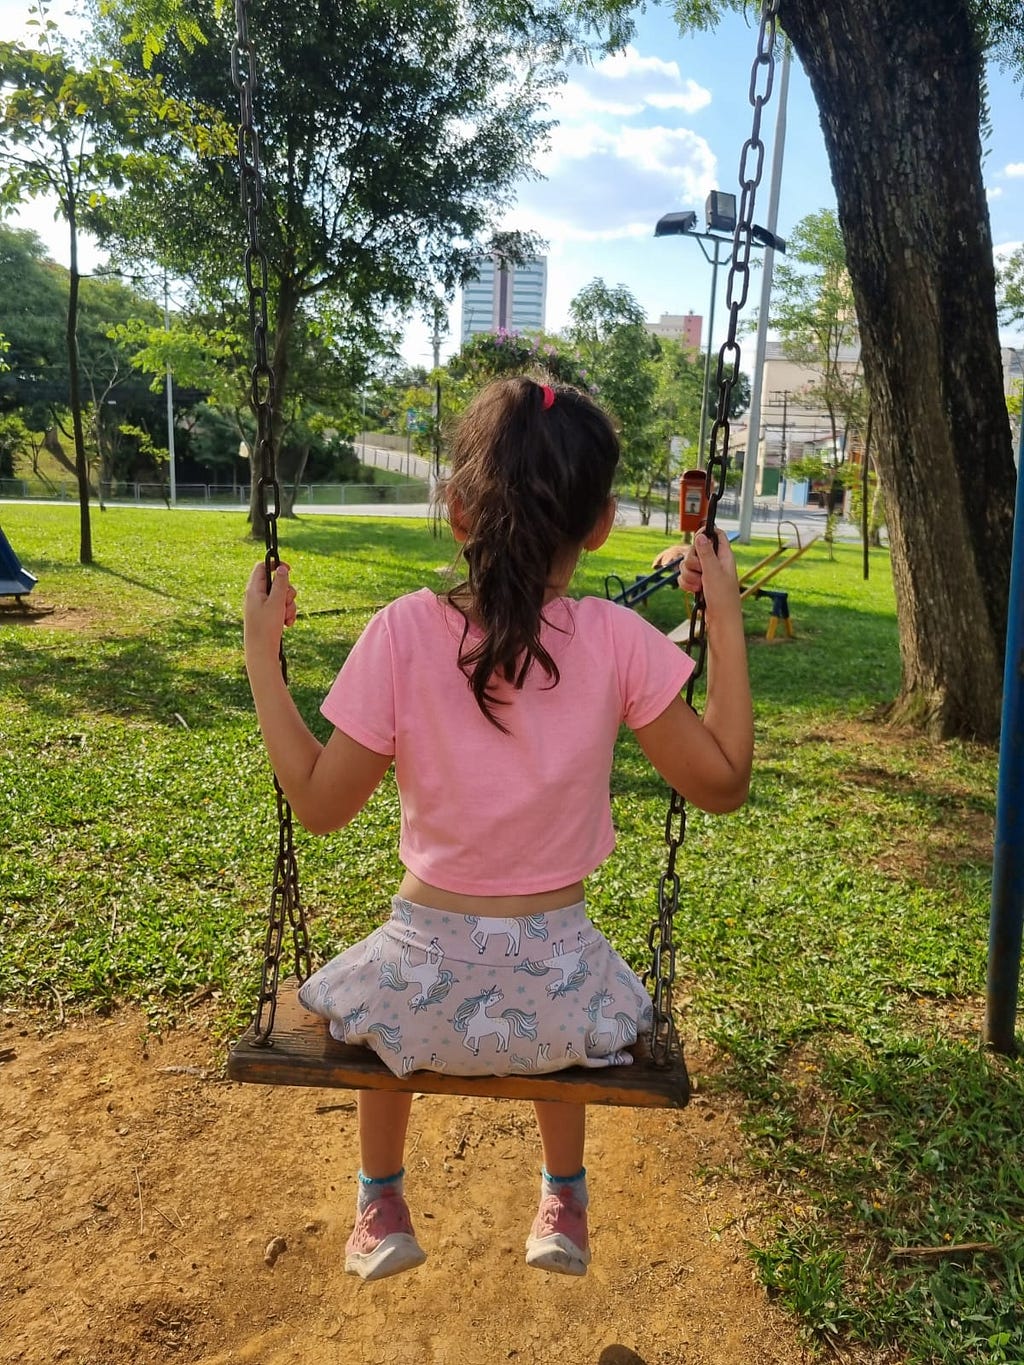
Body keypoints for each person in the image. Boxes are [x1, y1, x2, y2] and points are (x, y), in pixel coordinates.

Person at [243, 375, 753, 1284]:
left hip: (419, 989)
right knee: (564, 999)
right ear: (599, 524)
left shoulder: (403, 630)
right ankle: (564, 1196)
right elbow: (723, 782)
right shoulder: (620, 639)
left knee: (367, 1021)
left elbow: (319, 807)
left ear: (458, 511)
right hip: (566, 996)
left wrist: (260, 658)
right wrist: (727, 621)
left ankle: (380, 1199)